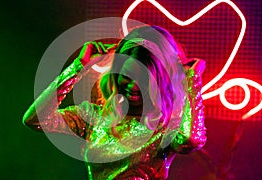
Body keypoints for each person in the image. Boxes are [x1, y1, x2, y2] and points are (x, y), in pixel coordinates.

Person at [23, 25, 207, 179]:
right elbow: (36, 119)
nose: (133, 86)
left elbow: (191, 140)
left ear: (158, 83)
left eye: (143, 80)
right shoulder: (96, 117)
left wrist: (191, 79)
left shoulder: (165, 126)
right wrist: (78, 67)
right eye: (127, 76)